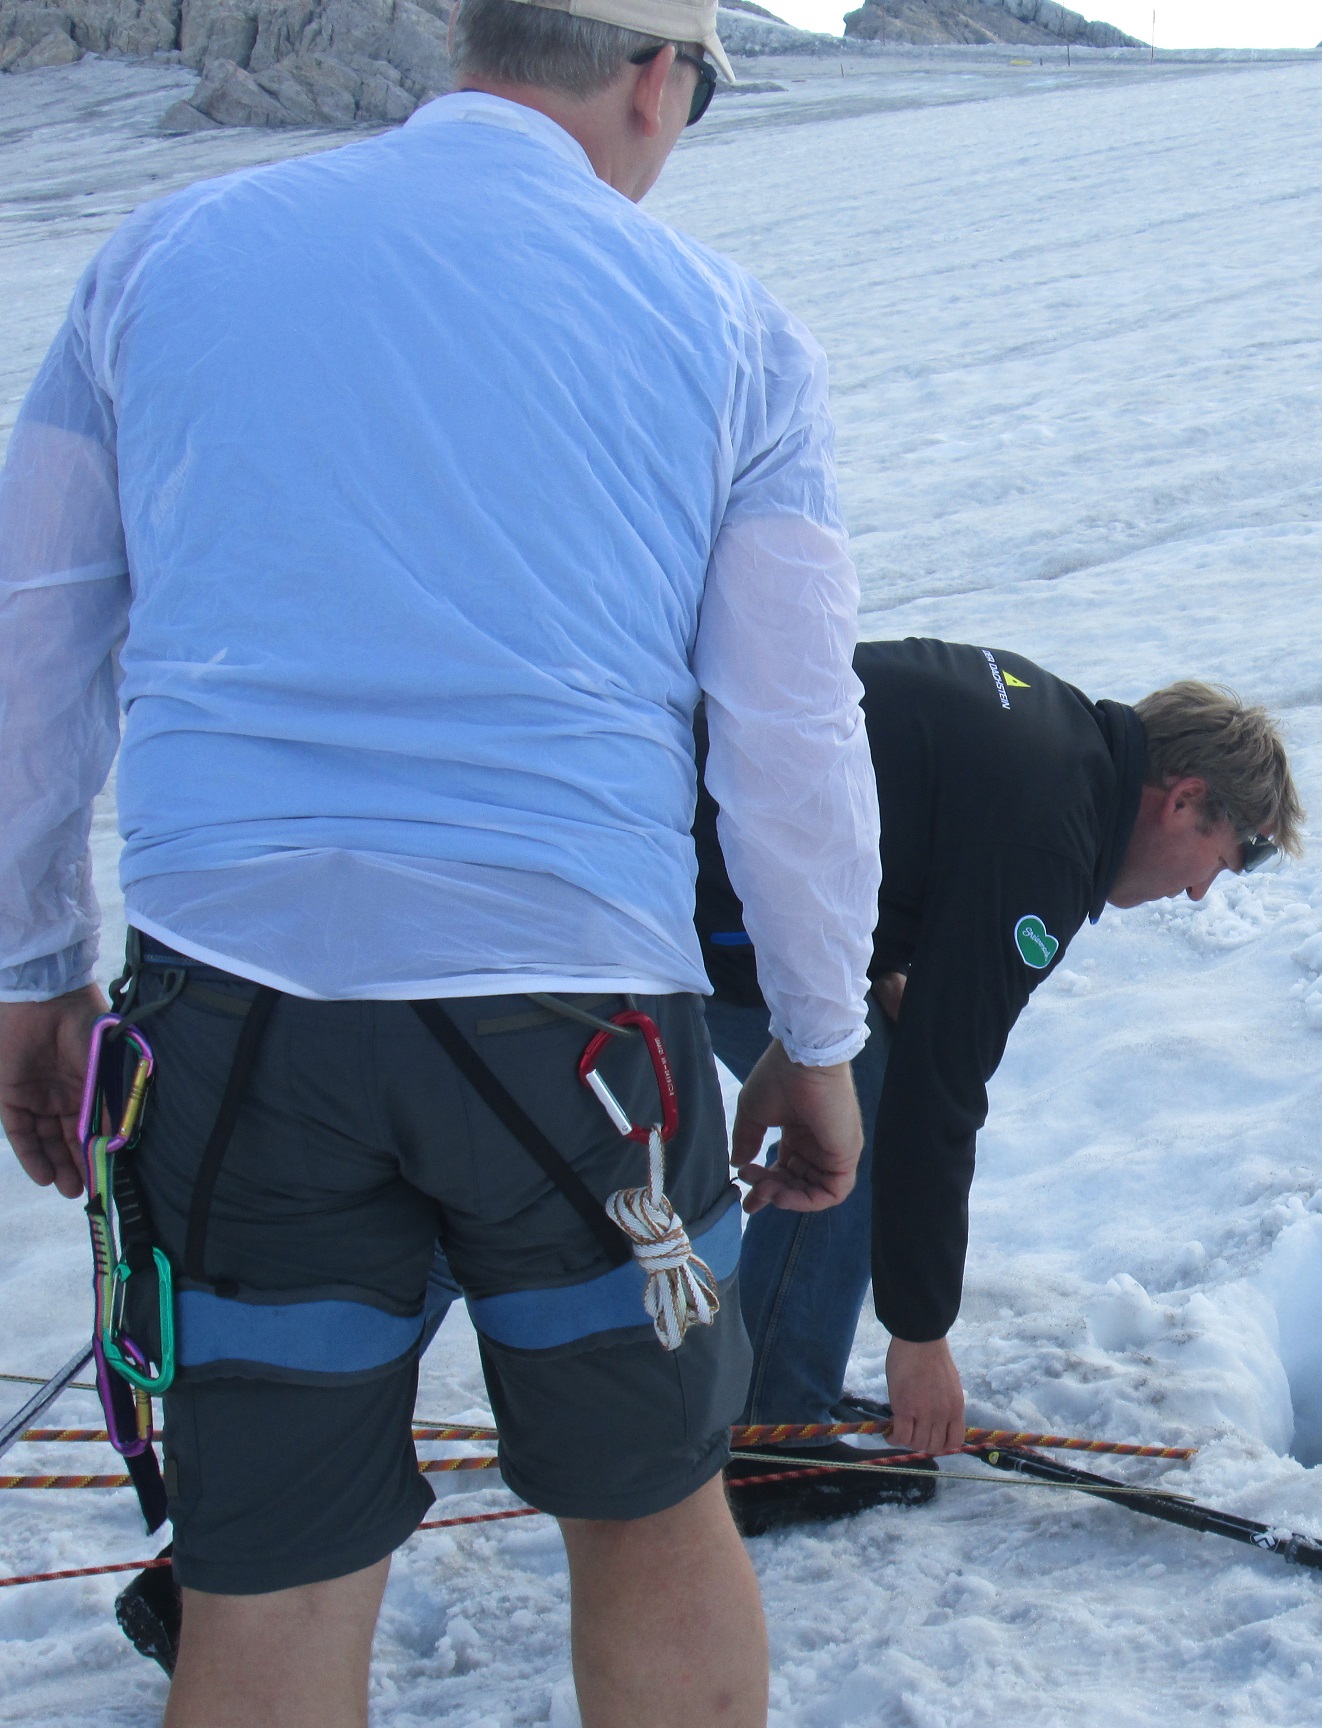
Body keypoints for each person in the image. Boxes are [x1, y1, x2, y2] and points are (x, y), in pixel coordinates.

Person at [0, 0, 882, 1718]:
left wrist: (34, 966)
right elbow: (789, 730)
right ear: (651, 74)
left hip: (233, 1013)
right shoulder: (725, 329)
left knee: (269, 1571)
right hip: (579, 1031)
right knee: (646, 1509)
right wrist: (817, 1034)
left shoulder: (160, 257)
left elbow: (35, 641)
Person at [692, 641, 1302, 1527]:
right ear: (1185, 801)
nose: (1206, 891)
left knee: (872, 1062)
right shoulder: (1047, 842)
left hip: (693, 836)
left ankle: (767, 1391)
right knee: (863, 1101)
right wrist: (920, 1336)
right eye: (1235, 854)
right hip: (691, 894)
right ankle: (769, 1442)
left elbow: (897, 822)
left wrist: (891, 960)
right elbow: (940, 1098)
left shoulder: (1053, 736)